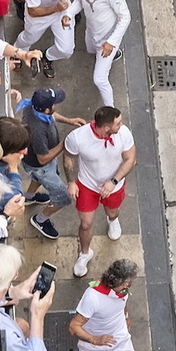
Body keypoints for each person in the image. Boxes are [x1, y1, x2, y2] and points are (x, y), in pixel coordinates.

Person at [63, 104, 136, 276]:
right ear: (106, 127)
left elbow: (130, 159)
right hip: (88, 184)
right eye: (118, 123)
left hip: (114, 186)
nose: (122, 125)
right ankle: (85, 253)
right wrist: (71, 182)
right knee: (86, 223)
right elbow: (68, 157)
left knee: (113, 212)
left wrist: (113, 182)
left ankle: (112, 221)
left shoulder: (123, 133)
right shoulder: (77, 137)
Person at [19, 85, 84, 239]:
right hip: (40, 166)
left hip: (33, 163)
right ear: (47, 109)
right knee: (63, 197)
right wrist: (64, 144)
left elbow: (51, 116)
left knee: (37, 178)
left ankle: (28, 197)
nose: (56, 105)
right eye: (54, 104)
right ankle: (40, 220)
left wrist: (69, 120)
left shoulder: (31, 107)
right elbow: (43, 159)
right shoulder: (38, 131)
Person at [0, 243, 55, 351]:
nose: (17, 276)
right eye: (14, 275)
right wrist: (37, 316)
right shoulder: (4, 334)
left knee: (21, 324)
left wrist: (10, 293)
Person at [69, 256, 137, 351]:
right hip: (93, 347)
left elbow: (122, 302)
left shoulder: (121, 291)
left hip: (120, 338)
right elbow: (73, 326)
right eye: (130, 282)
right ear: (125, 283)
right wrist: (95, 340)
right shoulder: (93, 297)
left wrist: (126, 317)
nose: (130, 285)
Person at [78, 0, 130, 105]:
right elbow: (79, 1)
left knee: (99, 79)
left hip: (107, 40)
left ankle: (111, 109)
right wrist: (69, 13)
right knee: (90, 51)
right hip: (92, 32)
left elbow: (125, 17)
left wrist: (112, 42)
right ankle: (113, 55)